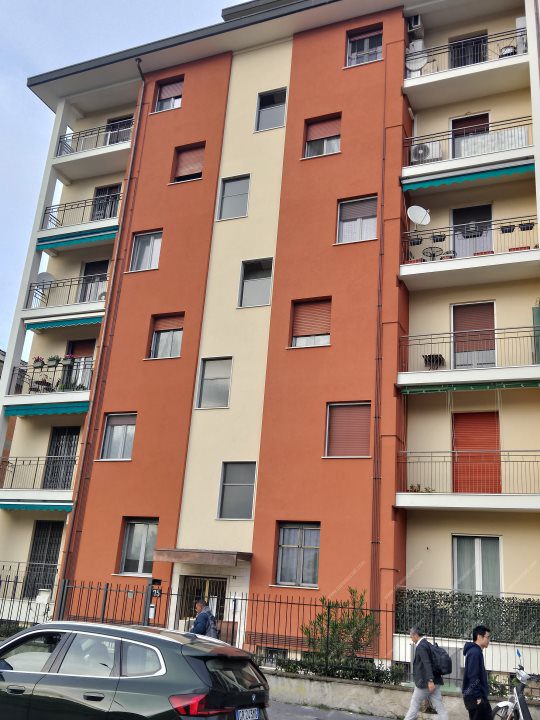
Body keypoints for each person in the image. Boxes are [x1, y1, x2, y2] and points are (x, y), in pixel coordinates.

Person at [404, 627, 448, 720]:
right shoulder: (427, 644)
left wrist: (430, 680)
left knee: (414, 704)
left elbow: (427, 663)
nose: (411, 639)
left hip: (425, 683)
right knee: (439, 706)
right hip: (435, 681)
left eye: (411, 636)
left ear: (415, 635)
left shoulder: (421, 646)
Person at [462, 625, 491, 720]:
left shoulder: (476, 651)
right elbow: (473, 675)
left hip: (476, 695)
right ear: (479, 636)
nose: (489, 640)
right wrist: (478, 697)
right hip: (475, 697)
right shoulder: (474, 652)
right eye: (487, 637)